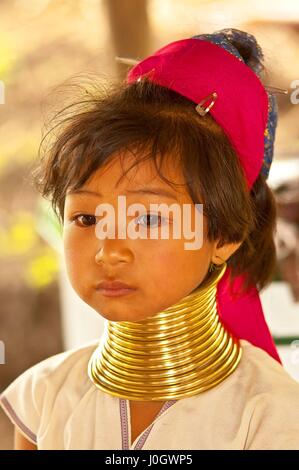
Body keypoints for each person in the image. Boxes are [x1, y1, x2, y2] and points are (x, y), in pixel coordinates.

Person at [1, 28, 299, 450]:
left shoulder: (271, 417)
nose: (110, 249)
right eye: (86, 217)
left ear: (226, 234)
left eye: (148, 220)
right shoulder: (43, 400)